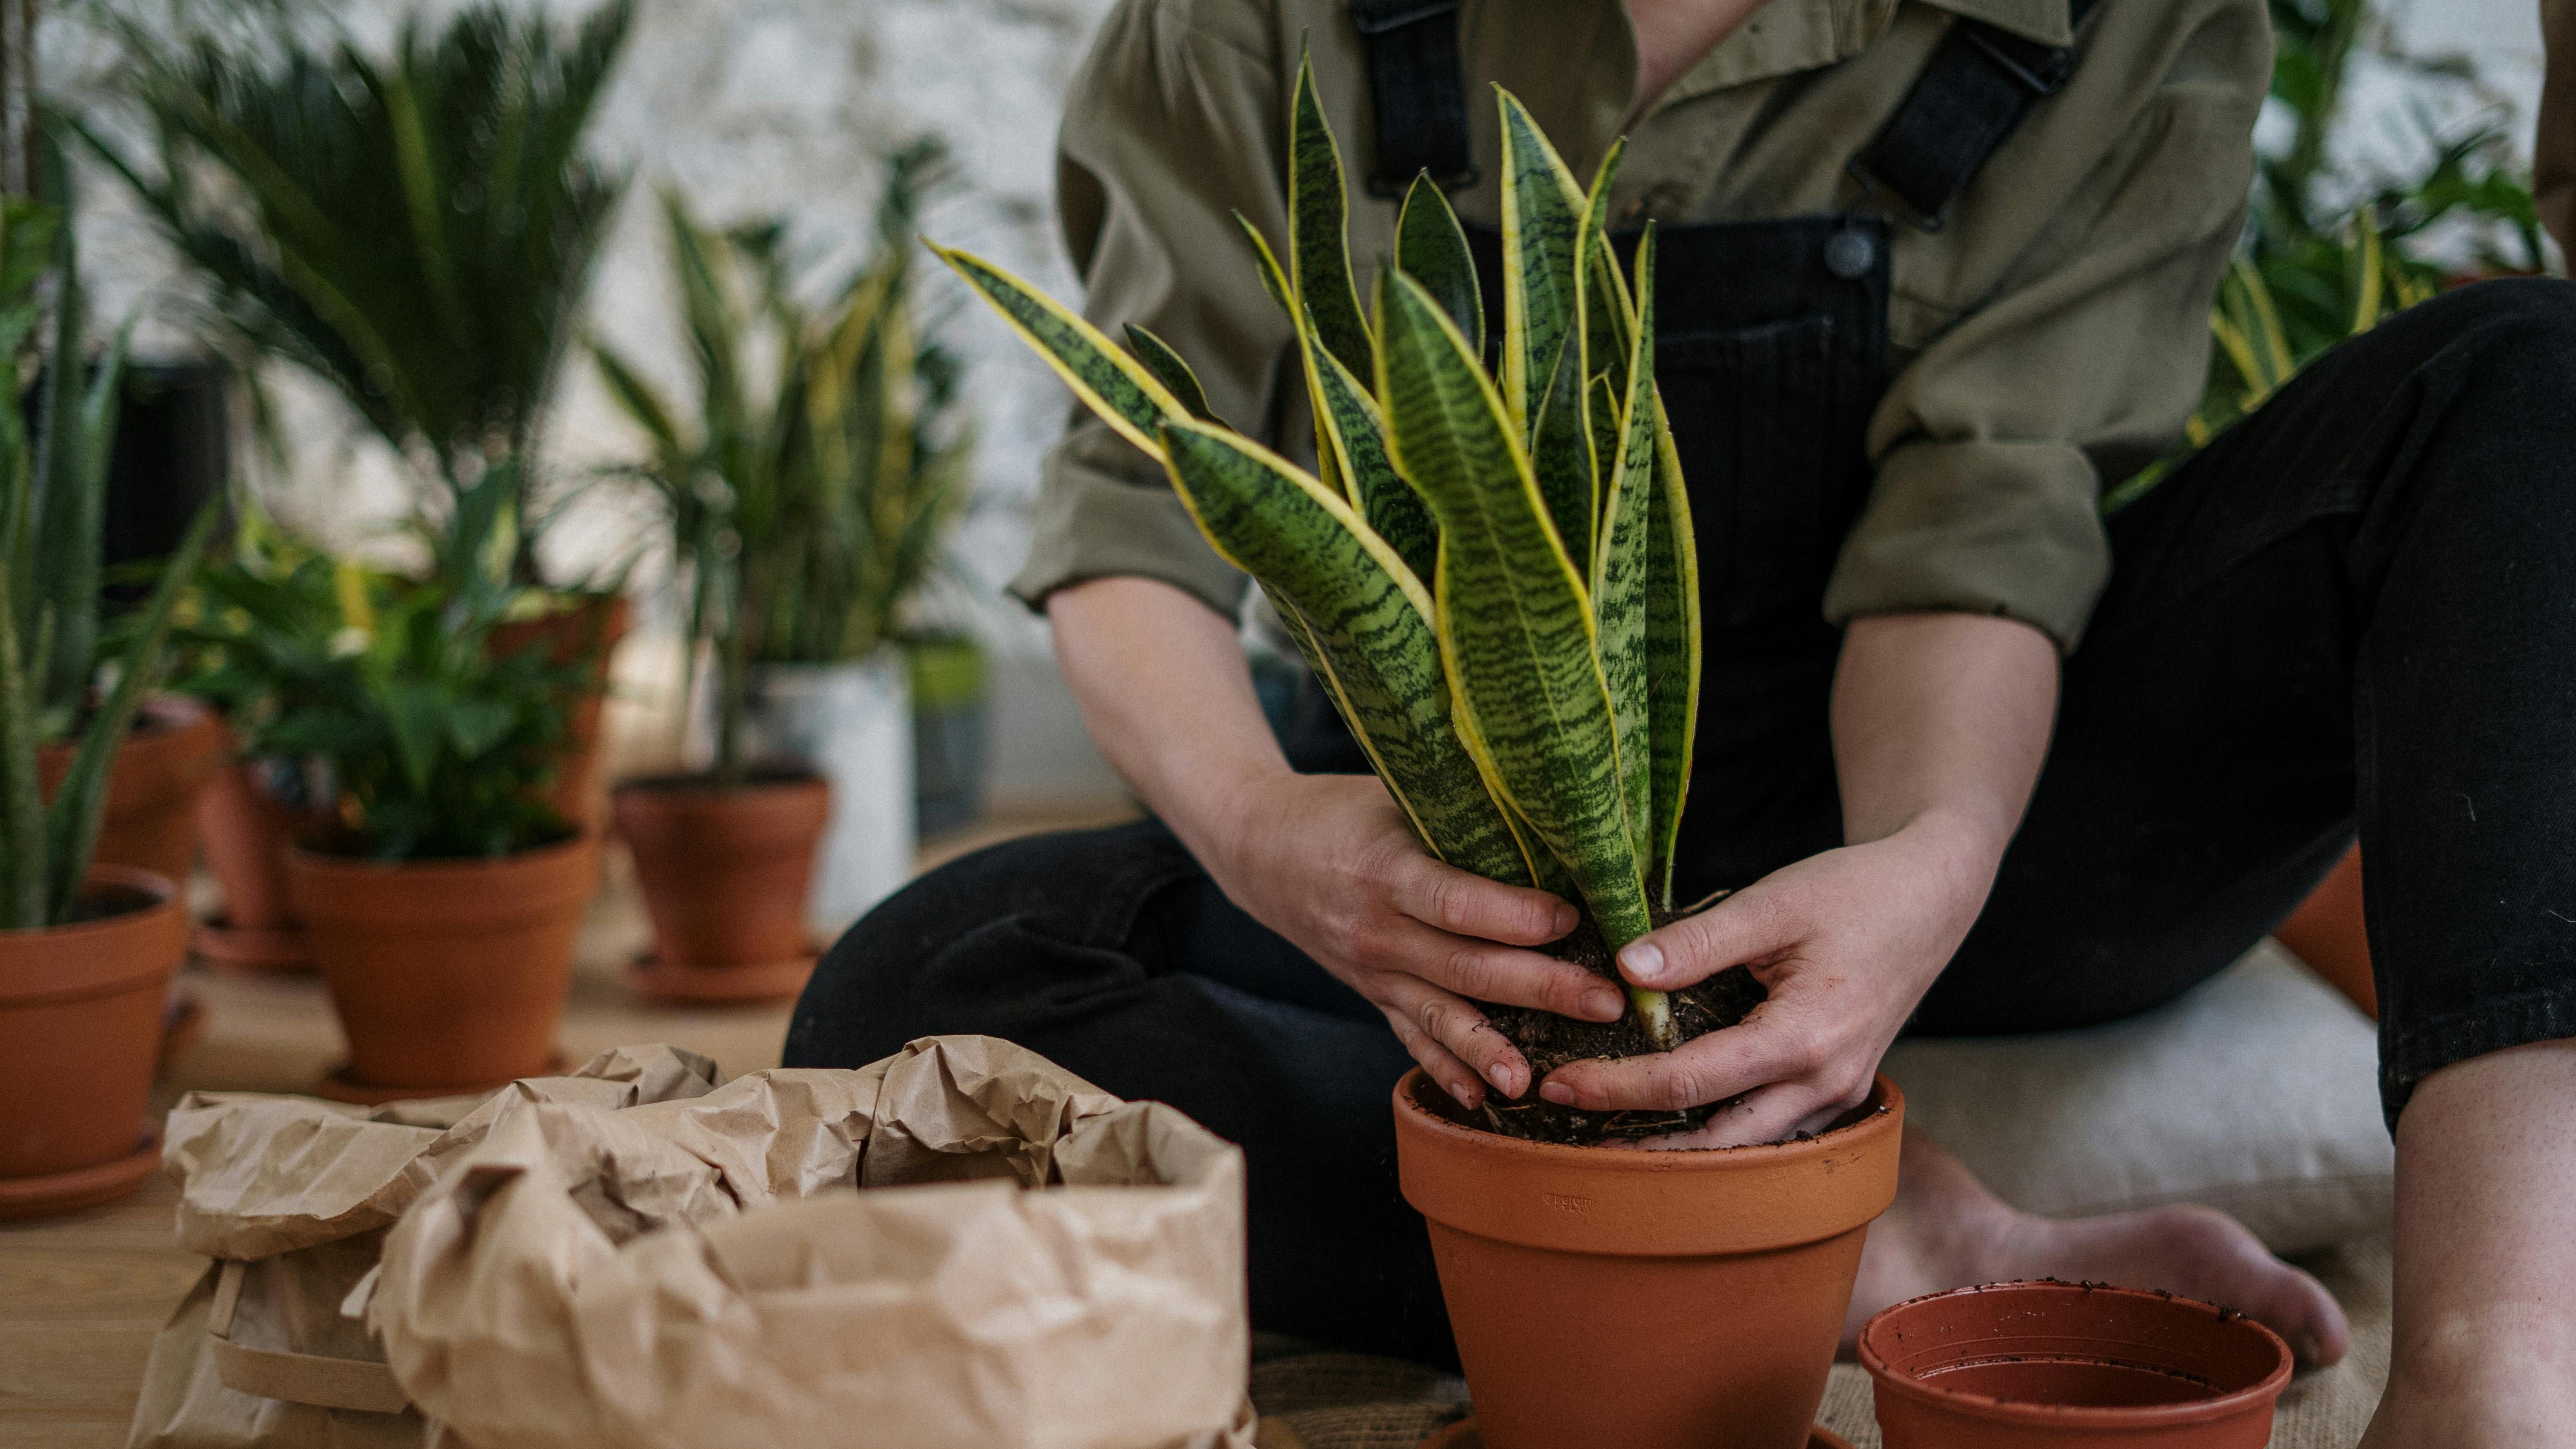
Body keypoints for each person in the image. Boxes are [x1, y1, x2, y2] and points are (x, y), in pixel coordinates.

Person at [789, 1, 2576, 1440]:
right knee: (918, 990)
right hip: (1488, 889)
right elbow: (1139, 514)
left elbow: (1981, 522)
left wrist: (1929, 866)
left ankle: (2499, 1372)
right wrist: (1272, 837)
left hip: (1978, 832)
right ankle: (1864, 1235)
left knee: (2521, 385)